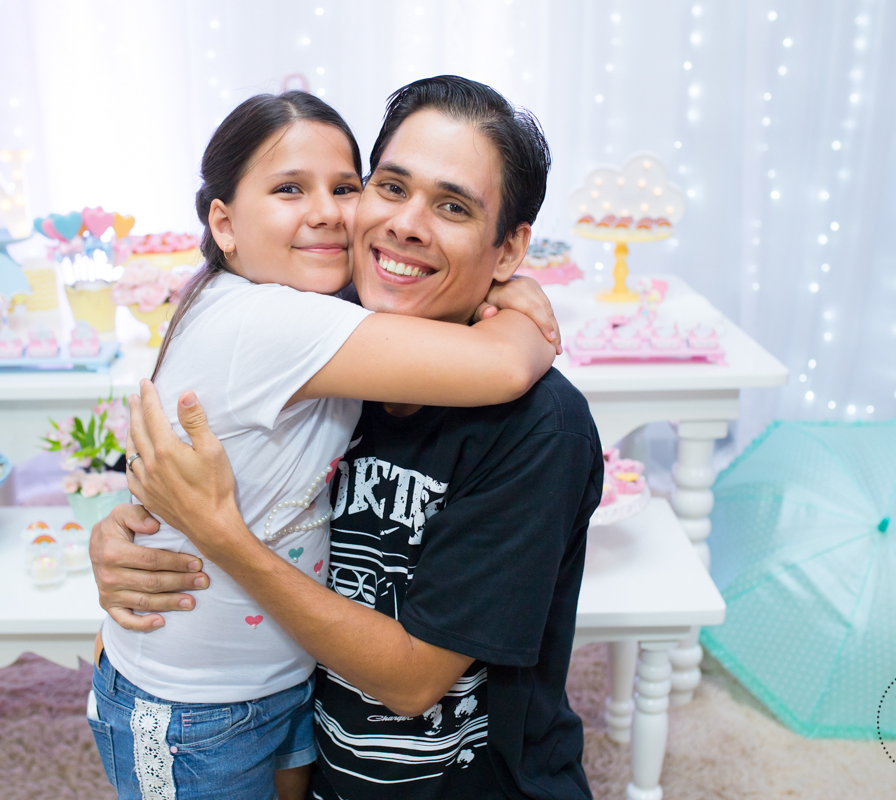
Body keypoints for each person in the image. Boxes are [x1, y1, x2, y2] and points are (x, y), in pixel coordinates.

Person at [95, 76, 603, 799]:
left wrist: (219, 535)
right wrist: (126, 540)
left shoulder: (536, 425)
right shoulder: (314, 327)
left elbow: (410, 682)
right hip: (277, 725)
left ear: (508, 246)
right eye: (391, 188)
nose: (405, 225)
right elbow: (182, 455)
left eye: (453, 206)